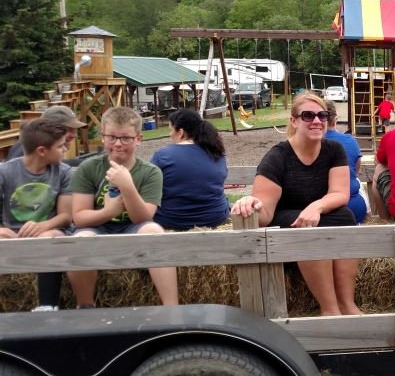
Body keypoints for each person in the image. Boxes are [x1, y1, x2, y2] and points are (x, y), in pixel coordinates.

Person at [231, 94, 360, 316]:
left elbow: (340, 193)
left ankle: (347, 303)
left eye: (322, 115)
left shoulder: (333, 150)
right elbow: (266, 214)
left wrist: (316, 207)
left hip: (319, 217)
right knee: (308, 228)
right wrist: (252, 203)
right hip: (287, 224)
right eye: (308, 116)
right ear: (294, 121)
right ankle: (330, 309)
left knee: (345, 217)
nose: (317, 121)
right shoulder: (278, 157)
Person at [67, 107, 178, 308]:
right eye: (112, 137)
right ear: (103, 137)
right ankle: (85, 306)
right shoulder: (89, 168)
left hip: (132, 227)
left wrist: (127, 186)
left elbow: (144, 218)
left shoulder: (150, 172)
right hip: (95, 229)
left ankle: (171, 308)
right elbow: (79, 218)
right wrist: (108, 212)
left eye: (126, 138)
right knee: (80, 240)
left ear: (138, 139)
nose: (118, 144)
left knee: (154, 231)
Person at [0, 119, 72, 311]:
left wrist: (44, 226)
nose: (65, 149)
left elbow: (66, 216)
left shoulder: (64, 172)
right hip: (13, 235)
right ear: (42, 151)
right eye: (60, 146)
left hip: (50, 232)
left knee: (48, 239)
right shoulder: (5, 172)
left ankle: (47, 306)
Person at [150, 109, 229, 230]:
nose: (169, 135)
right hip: (215, 218)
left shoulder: (163, 155)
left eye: (171, 130)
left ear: (181, 132)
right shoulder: (217, 152)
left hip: (172, 220)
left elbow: (148, 190)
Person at [324, 101, 367, 223]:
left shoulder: (307, 145)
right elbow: (356, 169)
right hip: (352, 204)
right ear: (335, 119)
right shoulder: (349, 141)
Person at [5, 106, 87, 163]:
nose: (74, 135)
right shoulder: (28, 148)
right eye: (69, 129)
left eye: (75, 130)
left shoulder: (42, 144)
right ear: (49, 128)